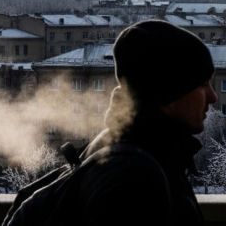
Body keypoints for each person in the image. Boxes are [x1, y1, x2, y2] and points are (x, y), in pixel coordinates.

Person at [76, 19, 218, 226]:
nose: (213, 97)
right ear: (168, 92)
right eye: (202, 84)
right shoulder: (135, 179)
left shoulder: (132, 152)